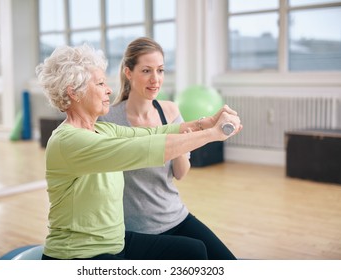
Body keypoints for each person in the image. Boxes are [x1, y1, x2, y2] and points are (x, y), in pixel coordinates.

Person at [35, 43, 242, 260]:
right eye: (100, 83)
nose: (109, 89)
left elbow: (154, 133)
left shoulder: (102, 129)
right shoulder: (69, 141)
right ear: (74, 92)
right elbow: (145, 149)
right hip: (80, 254)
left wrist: (207, 123)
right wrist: (214, 135)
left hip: (116, 243)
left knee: (195, 251)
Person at [99, 37, 237, 260]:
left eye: (160, 70)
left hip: (175, 216)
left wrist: (183, 141)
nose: (155, 79)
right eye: (146, 71)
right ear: (128, 72)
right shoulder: (108, 119)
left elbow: (181, 173)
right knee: (196, 257)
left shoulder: (170, 112)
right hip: (136, 231)